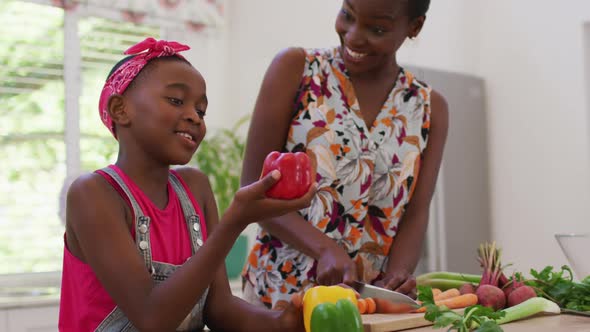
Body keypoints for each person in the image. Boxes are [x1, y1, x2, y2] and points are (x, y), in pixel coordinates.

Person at [58, 37, 316, 332]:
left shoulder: (195, 187)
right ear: (120, 109)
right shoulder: (93, 194)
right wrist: (235, 221)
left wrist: (283, 322)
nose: (195, 116)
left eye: (202, 110)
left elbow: (219, 309)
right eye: (176, 101)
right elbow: (152, 319)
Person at [240, 0, 448, 309]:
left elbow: (416, 211)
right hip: (278, 301)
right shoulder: (296, 70)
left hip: (362, 309)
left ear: (414, 27)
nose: (352, 36)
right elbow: (253, 188)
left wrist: (398, 275)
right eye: (347, 15)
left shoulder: (429, 107)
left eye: (376, 28)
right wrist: (323, 248)